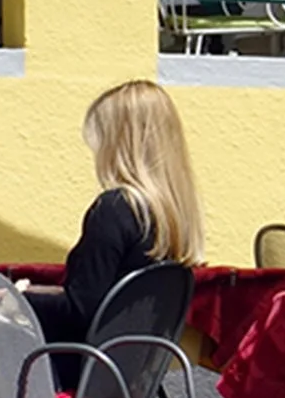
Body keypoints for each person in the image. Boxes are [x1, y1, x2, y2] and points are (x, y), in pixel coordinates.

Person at [24, 80, 206, 347]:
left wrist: (19, 299)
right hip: (128, 367)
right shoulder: (171, 217)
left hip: (78, 362)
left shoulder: (114, 209)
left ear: (119, 143)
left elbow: (80, 312)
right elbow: (99, 296)